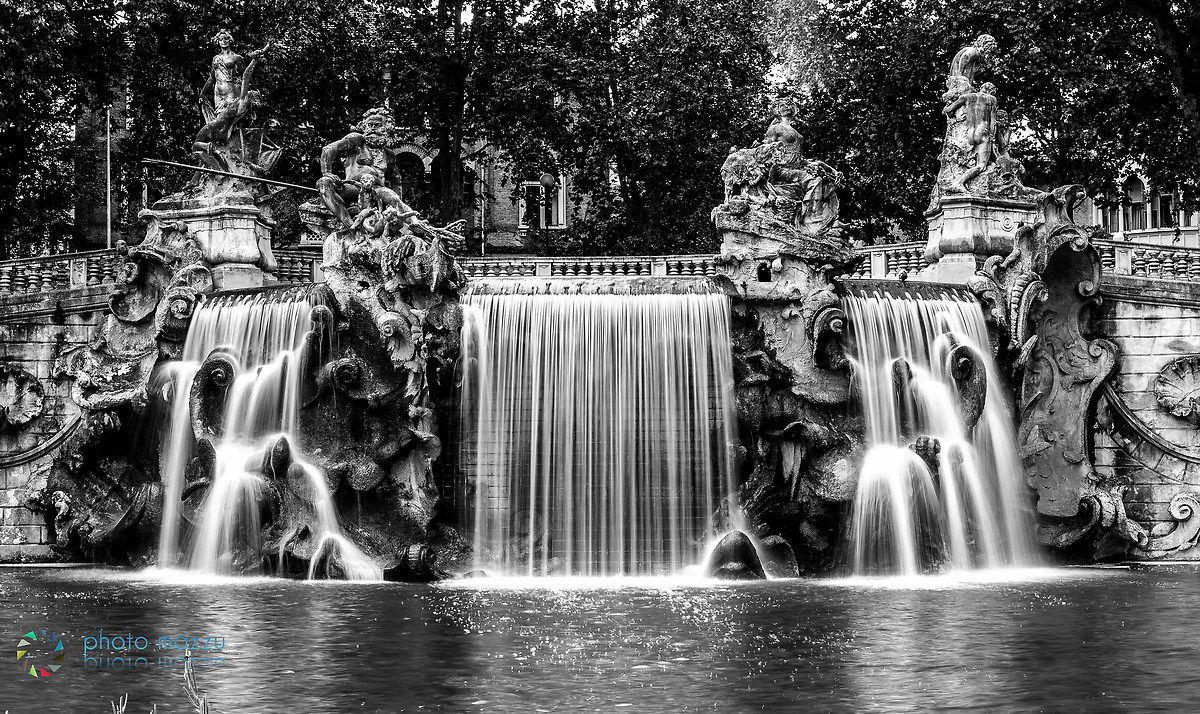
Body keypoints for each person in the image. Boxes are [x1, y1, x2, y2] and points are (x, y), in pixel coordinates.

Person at [943, 82, 998, 194]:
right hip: (983, 132)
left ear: (981, 88)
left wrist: (954, 116)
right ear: (991, 91)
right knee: (981, 165)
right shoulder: (991, 99)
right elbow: (993, 121)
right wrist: (992, 137)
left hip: (970, 134)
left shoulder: (967, 97)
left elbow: (948, 110)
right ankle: (958, 182)